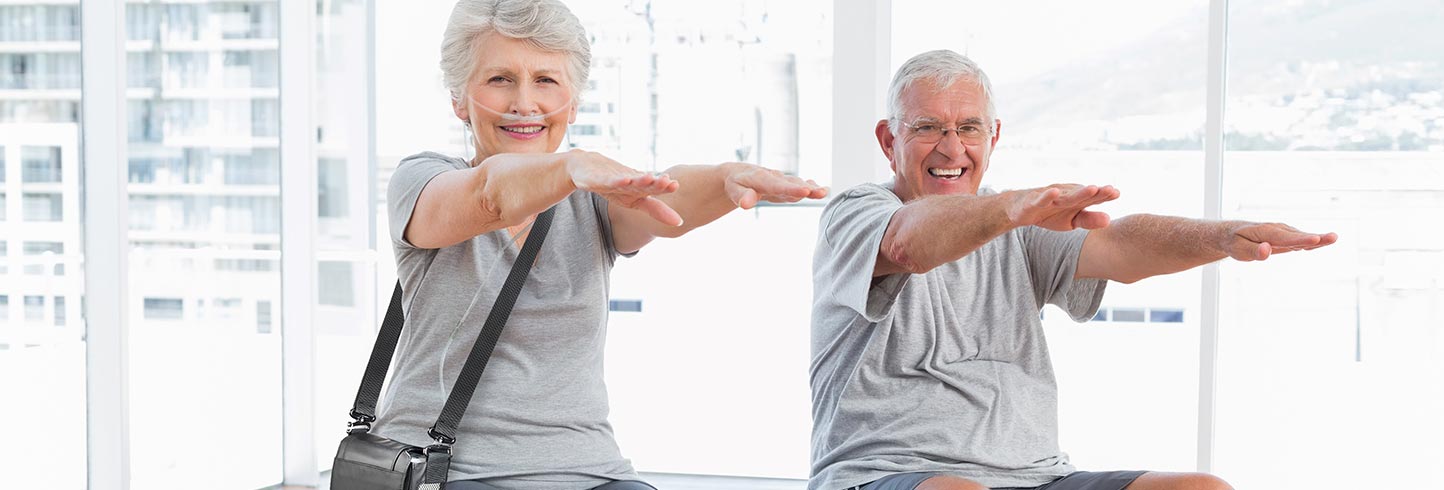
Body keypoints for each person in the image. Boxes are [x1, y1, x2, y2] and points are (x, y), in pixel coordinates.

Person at [809, 49, 1336, 490]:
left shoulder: (1014, 222)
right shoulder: (857, 213)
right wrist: (1012, 210)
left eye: (969, 128)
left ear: (993, 137)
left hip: (1039, 477)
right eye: (928, 128)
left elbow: (1120, 246)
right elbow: (907, 243)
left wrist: (1223, 237)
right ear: (888, 141)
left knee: (1202, 489)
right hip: (887, 473)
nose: (953, 148)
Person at [373, 1, 828, 489]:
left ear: (573, 102)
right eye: (500, 79)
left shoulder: (588, 200)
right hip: (443, 469)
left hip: (589, 470)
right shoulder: (422, 180)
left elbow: (662, 197)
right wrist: (571, 166)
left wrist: (723, 178)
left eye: (546, 81)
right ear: (460, 100)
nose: (524, 103)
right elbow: (491, 195)